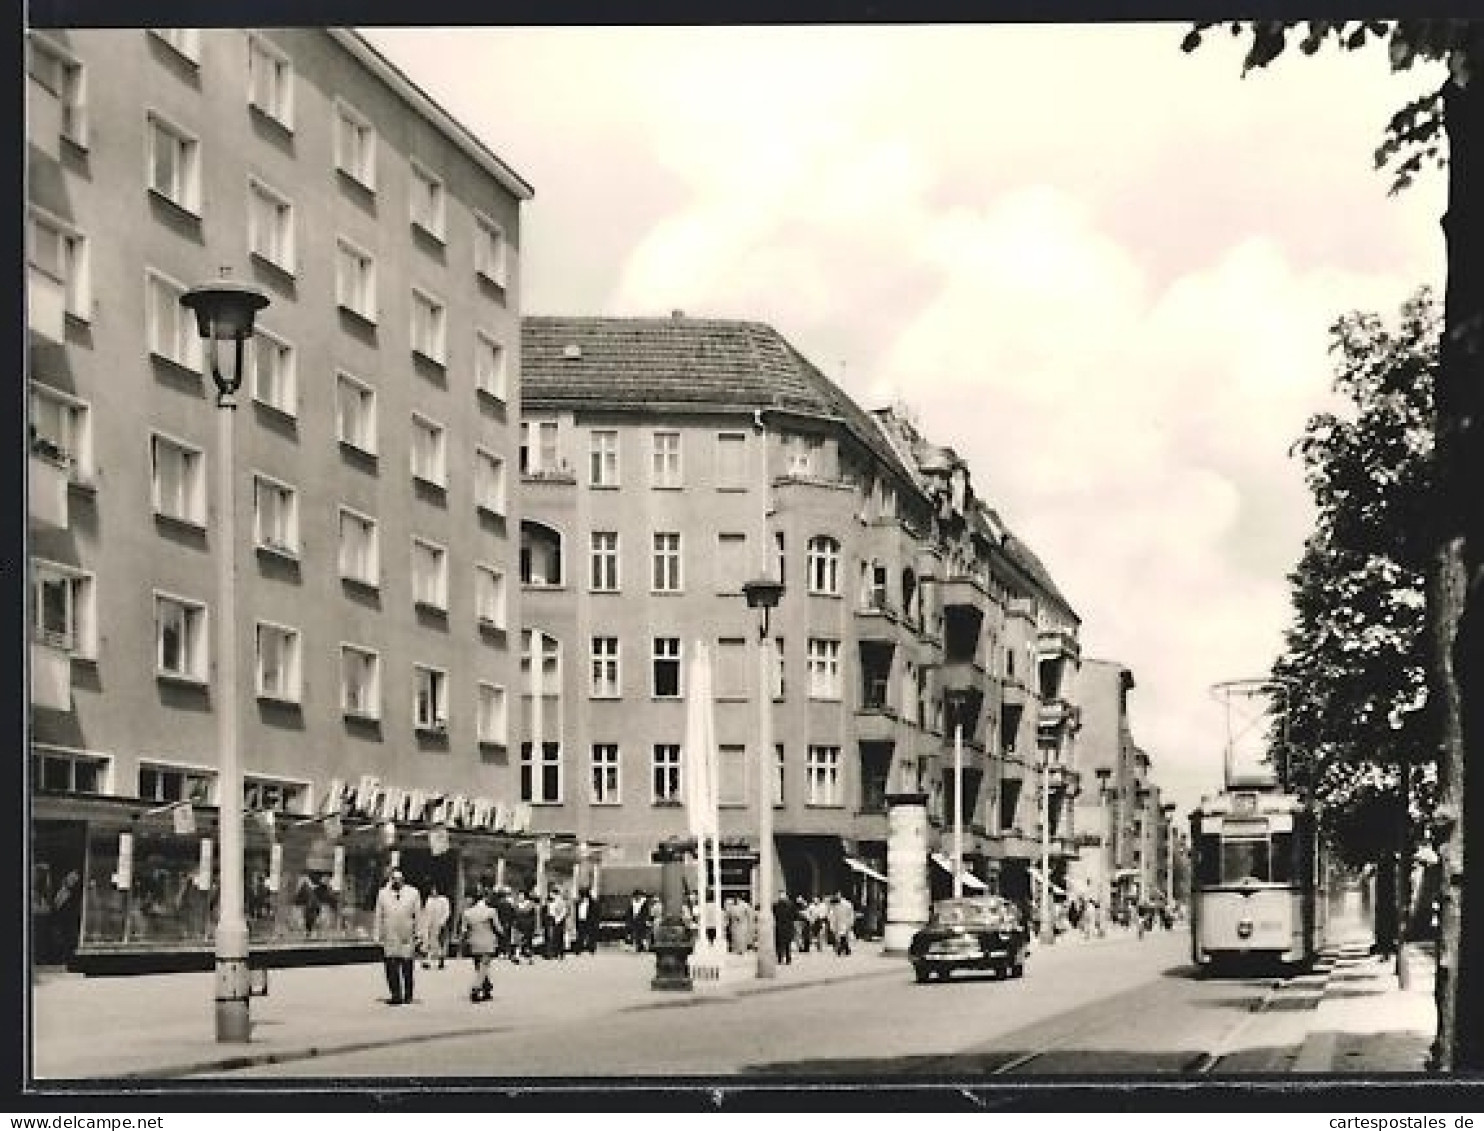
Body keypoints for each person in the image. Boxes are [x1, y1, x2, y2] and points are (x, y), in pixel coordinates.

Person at [373, 867, 422, 1005]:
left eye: (399, 879)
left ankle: (408, 994)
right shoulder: (383, 893)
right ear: (390, 879)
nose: (397, 882)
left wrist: (419, 934)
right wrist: (377, 934)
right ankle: (396, 995)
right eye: (394, 879)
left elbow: (418, 915)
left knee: (407, 967)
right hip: (390, 934)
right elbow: (378, 915)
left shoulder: (413, 893)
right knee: (391, 966)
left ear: (404, 880)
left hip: (407, 934)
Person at [460, 888, 500, 1002]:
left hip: (474, 941)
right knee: (484, 965)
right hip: (488, 941)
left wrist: (463, 941)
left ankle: (487, 987)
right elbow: (498, 927)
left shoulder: (467, 913)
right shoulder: (491, 911)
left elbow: (464, 930)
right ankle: (476, 988)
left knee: (479, 966)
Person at [420, 883, 451, 970]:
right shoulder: (429, 900)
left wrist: (442, 922)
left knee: (439, 943)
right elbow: (426, 912)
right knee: (430, 943)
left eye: (434, 889)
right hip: (431, 925)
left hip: (440, 924)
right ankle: (428, 961)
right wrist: (425, 924)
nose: (433, 891)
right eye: (432, 890)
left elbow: (447, 912)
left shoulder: (443, 900)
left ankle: (440, 959)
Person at [543, 885, 570, 959]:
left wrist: (558, 919)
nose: (550, 894)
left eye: (551, 893)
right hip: (550, 919)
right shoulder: (550, 900)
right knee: (552, 936)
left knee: (558, 936)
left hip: (557, 920)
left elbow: (564, 911)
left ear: (554, 893)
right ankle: (553, 953)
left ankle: (559, 953)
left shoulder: (560, 901)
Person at [572, 887, 598, 954]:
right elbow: (576, 913)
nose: (580, 896)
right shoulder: (578, 903)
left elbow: (595, 913)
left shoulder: (593, 903)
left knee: (590, 935)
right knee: (580, 935)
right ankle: (579, 949)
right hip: (581, 921)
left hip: (589, 921)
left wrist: (594, 922)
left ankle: (591, 948)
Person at [772, 893, 795, 966]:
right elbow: (794, 916)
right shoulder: (790, 905)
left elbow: (774, 914)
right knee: (787, 944)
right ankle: (788, 959)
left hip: (779, 926)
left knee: (779, 944)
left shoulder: (775, 906)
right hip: (788, 926)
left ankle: (780, 959)